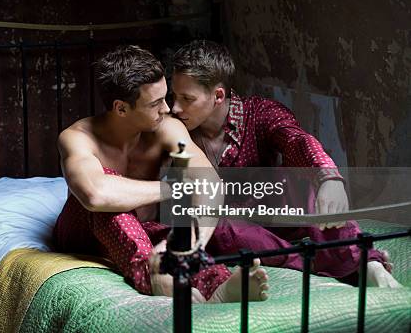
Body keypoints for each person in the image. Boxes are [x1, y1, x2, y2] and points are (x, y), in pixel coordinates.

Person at [170, 40, 400, 288]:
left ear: (218, 96)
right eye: (174, 96)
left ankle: (368, 264)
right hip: (232, 231)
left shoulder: (260, 113)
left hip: (276, 215)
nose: (175, 107)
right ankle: (325, 264)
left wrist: (328, 177)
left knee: (290, 176)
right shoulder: (175, 129)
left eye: (186, 98)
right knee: (208, 217)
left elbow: (296, 140)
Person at [53, 45, 270, 303]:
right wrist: (172, 189)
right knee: (108, 185)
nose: (168, 109)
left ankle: (217, 288)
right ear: (121, 108)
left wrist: (192, 241)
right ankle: (154, 275)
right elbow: (95, 194)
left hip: (142, 230)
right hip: (81, 235)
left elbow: (209, 182)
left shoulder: (167, 128)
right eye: (155, 103)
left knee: (172, 237)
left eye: (165, 98)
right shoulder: (77, 138)